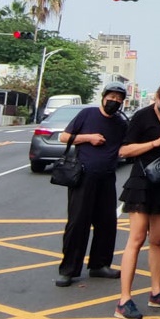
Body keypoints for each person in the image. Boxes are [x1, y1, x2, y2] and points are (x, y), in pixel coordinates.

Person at [114, 72, 160, 319]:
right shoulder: (142, 116)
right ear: (157, 98)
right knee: (136, 240)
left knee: (158, 240)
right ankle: (124, 300)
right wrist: (156, 143)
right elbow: (125, 149)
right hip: (143, 182)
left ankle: (156, 292)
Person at [54, 82, 129, 287]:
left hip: (107, 178)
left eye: (118, 99)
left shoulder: (121, 123)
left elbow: (126, 147)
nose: (114, 102)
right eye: (111, 98)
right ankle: (68, 270)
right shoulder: (87, 115)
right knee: (78, 223)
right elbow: (64, 137)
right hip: (83, 178)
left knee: (107, 224)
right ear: (103, 97)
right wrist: (88, 138)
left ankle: (99, 265)